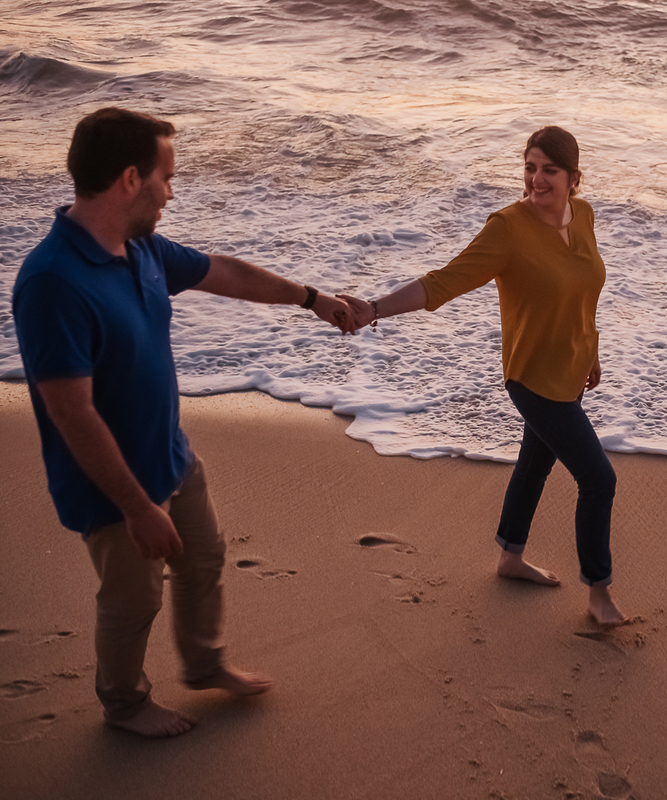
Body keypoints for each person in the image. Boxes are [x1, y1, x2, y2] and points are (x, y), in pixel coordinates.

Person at [12, 107, 355, 738]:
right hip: (113, 487)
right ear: (129, 179)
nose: (172, 192)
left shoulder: (140, 247)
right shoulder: (53, 282)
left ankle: (204, 663)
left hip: (170, 454)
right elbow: (69, 411)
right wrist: (137, 507)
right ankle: (124, 704)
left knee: (204, 558)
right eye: (166, 177)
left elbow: (222, 271)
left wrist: (311, 299)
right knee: (133, 599)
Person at [340, 126, 627, 627]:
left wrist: (592, 351)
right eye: (530, 168)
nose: (537, 180)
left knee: (535, 462)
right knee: (599, 479)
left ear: (575, 178)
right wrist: (375, 308)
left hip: (570, 369)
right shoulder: (508, 229)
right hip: (531, 376)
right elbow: (444, 282)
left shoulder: (583, 215)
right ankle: (599, 593)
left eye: (550, 170)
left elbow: (583, 293)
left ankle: (510, 557)